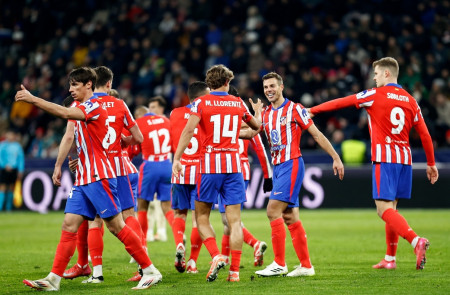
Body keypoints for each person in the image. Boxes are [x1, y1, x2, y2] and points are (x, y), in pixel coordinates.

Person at [16, 67, 161, 291]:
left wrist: (34, 99)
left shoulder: (94, 106)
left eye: (75, 85)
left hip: (99, 176)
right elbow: (70, 135)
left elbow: (64, 114)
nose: (70, 89)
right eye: (70, 85)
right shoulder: (81, 107)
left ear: (89, 85)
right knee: (69, 224)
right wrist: (58, 165)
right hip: (84, 177)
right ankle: (53, 279)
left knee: (115, 226)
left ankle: (150, 270)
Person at [308, 57, 438, 270]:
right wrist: (431, 163)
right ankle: (390, 258)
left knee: (382, 209)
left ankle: (416, 241)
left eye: (376, 74)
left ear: (387, 74)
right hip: (404, 160)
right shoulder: (411, 100)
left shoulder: (374, 94)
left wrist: (313, 109)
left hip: (384, 158)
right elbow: (424, 134)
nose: (374, 78)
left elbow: (343, 101)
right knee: (392, 208)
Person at [243, 72, 344, 278]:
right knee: (289, 216)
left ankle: (279, 263)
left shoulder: (295, 109)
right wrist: (224, 132)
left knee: (272, 211)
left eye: (272, 86)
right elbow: (252, 132)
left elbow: (316, 134)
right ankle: (306, 266)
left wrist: (335, 157)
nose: (268, 90)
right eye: (265, 87)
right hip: (278, 167)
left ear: (281, 87)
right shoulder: (268, 113)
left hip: (292, 164)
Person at [172, 64, 262, 282]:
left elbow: (189, 129)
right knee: (235, 221)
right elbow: (256, 127)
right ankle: (235, 273)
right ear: (227, 82)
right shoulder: (237, 102)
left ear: (209, 83)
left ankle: (216, 255)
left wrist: (177, 158)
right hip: (234, 167)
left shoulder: (201, 102)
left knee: (201, 216)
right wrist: (257, 113)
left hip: (210, 166)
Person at [63, 66, 145, 283]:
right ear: (109, 83)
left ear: (91, 82)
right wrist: (125, 141)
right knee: (128, 216)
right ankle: (143, 266)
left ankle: (93, 269)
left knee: (93, 221)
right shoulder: (118, 103)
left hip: (93, 168)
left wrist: (73, 161)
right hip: (119, 167)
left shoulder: (80, 104)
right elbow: (137, 137)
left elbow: (73, 138)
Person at [218, 85, 272, 267]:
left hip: (227, 169)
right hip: (243, 171)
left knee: (229, 218)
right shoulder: (245, 116)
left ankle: (255, 243)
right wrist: (267, 175)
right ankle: (225, 257)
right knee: (230, 217)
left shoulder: (220, 116)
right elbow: (259, 147)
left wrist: (268, 175)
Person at [169, 81, 210, 274]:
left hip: (180, 169)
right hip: (201, 171)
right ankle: (193, 261)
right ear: (202, 96)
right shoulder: (206, 113)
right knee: (198, 219)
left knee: (179, 214)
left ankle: (179, 244)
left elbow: (173, 140)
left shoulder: (174, 113)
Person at [135, 104, 175, 254]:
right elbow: (173, 146)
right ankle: (179, 239)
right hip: (166, 164)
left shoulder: (139, 123)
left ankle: (142, 246)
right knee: (167, 207)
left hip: (150, 165)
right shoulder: (165, 121)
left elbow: (135, 147)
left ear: (139, 116)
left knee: (142, 206)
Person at [147, 95, 169, 242]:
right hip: (163, 167)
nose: (151, 110)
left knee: (158, 203)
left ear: (161, 108)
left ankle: (159, 232)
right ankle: (154, 232)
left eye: (154, 107)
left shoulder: (165, 123)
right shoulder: (168, 123)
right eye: (150, 107)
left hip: (160, 166)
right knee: (154, 203)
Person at [0, 130, 24, 211]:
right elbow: (0, 157)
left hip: (14, 169)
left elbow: (21, 159)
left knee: (11, 188)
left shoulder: (18, 146)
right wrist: (4, 165)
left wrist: (20, 170)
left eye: (11, 135)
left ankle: (8, 208)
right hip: (4, 169)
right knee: (2, 187)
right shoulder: (2, 145)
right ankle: (0, 207)